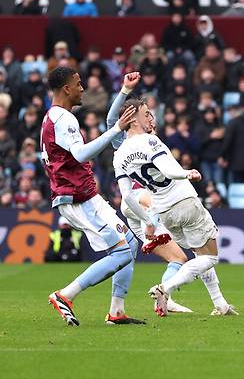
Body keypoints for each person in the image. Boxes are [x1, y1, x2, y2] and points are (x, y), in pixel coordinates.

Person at [112, 98, 237, 317]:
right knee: (211, 257)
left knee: (200, 255)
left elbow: (127, 196)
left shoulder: (119, 155)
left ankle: (221, 305)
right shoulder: (150, 142)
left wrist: (148, 220)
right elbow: (169, 171)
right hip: (185, 202)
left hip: (165, 212)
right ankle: (165, 288)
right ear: (132, 120)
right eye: (146, 113)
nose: (151, 117)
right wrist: (187, 173)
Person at [42, 66, 143, 326]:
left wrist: (124, 91)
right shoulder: (63, 118)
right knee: (121, 254)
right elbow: (80, 155)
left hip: (84, 194)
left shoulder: (52, 117)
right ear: (66, 88)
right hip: (78, 198)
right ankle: (66, 295)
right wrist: (117, 129)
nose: (82, 88)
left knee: (130, 243)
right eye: (78, 83)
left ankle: (116, 312)